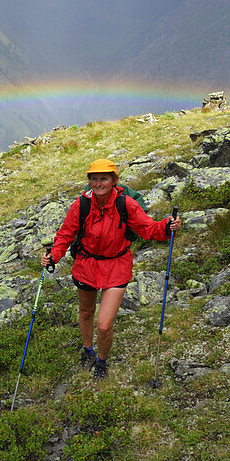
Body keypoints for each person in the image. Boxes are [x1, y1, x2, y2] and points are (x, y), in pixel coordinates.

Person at [41, 158, 181, 379]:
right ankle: (87, 349)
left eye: (103, 179)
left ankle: (102, 361)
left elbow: (147, 229)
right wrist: (53, 257)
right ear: (89, 181)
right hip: (87, 265)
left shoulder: (125, 204)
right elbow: (65, 235)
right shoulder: (81, 205)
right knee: (86, 312)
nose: (98, 184)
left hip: (116, 265)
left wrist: (166, 226)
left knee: (104, 325)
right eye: (94, 179)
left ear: (114, 180)